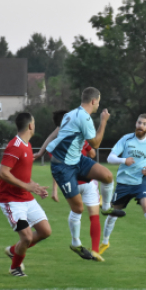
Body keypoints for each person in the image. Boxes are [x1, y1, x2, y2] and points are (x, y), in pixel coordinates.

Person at [45, 87, 125, 261]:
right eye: (99, 101)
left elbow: (55, 134)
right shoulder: (83, 117)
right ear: (94, 101)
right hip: (62, 167)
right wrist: (104, 121)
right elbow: (95, 143)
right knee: (78, 208)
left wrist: (41, 150)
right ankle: (75, 243)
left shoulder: (71, 114)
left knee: (107, 176)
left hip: (76, 161)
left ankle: (105, 208)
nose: (99, 106)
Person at [36, 109, 105, 261]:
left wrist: (55, 190)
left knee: (77, 210)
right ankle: (95, 250)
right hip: (87, 179)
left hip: (69, 182)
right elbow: (93, 154)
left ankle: (76, 241)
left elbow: (58, 169)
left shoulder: (55, 145)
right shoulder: (80, 135)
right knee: (93, 216)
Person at [101, 113, 146, 259]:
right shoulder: (126, 139)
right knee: (112, 214)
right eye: (138, 123)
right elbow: (110, 158)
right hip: (123, 183)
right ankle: (105, 242)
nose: (140, 126)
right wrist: (124, 160)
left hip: (141, 182)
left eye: (144, 124)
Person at [0, 113, 51, 277]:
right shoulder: (15, 146)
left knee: (45, 231)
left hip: (25, 197)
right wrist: (27, 186)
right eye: (34, 123)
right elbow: (3, 173)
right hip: (11, 200)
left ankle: (14, 250)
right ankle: (15, 268)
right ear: (30, 126)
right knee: (27, 237)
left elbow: (20, 174)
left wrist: (34, 186)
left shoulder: (27, 145)